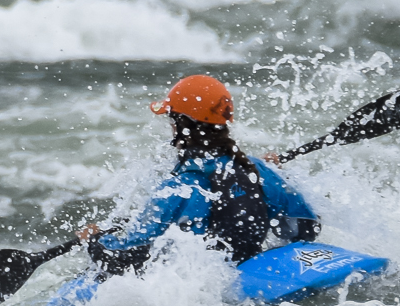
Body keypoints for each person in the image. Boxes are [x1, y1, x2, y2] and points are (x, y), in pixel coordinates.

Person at [77, 74, 320, 277]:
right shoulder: (257, 170)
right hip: (252, 272)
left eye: (172, 120)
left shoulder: (178, 187)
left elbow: (125, 260)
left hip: (205, 292)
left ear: (182, 125)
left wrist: (94, 241)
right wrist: (280, 176)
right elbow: (306, 228)